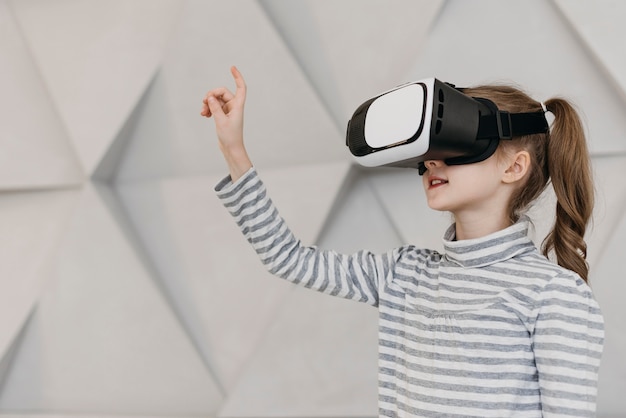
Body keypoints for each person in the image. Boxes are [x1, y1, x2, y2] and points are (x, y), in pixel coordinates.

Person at [202, 66, 604, 417]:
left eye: (457, 145)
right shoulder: (405, 273)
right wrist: (233, 149)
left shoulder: (554, 295)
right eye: (430, 149)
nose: (432, 160)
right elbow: (288, 258)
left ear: (515, 167)